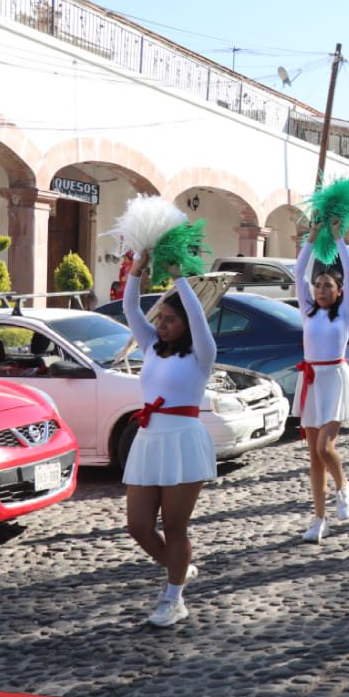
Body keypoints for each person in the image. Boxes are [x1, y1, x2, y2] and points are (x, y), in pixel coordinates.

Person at [121, 255, 218, 628]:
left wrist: (179, 280)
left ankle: (173, 598)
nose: (161, 325)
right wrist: (136, 271)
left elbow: (197, 319)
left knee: (175, 528)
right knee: (138, 525)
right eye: (160, 318)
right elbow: (131, 306)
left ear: (186, 325)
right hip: (148, 439)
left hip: (183, 442)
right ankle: (179, 566)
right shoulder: (149, 347)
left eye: (170, 320)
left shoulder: (201, 355)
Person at [294, 218, 349, 543]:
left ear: (339, 292)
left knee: (325, 446)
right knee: (313, 455)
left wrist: (338, 239)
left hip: (334, 378)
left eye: (328, 287)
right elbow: (298, 272)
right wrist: (310, 238)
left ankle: (344, 485)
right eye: (318, 285)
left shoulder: (345, 314)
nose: (321, 290)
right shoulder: (308, 312)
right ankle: (319, 518)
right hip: (310, 380)